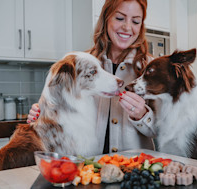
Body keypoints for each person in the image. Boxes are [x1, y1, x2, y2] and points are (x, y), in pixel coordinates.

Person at [27, 0, 156, 154]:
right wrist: (41, 113)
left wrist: (142, 115)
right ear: (106, 18)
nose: (127, 27)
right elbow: (60, 112)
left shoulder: (151, 68)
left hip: (134, 168)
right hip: (89, 166)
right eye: (120, 18)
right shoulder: (82, 64)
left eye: (135, 21)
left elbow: (163, 130)